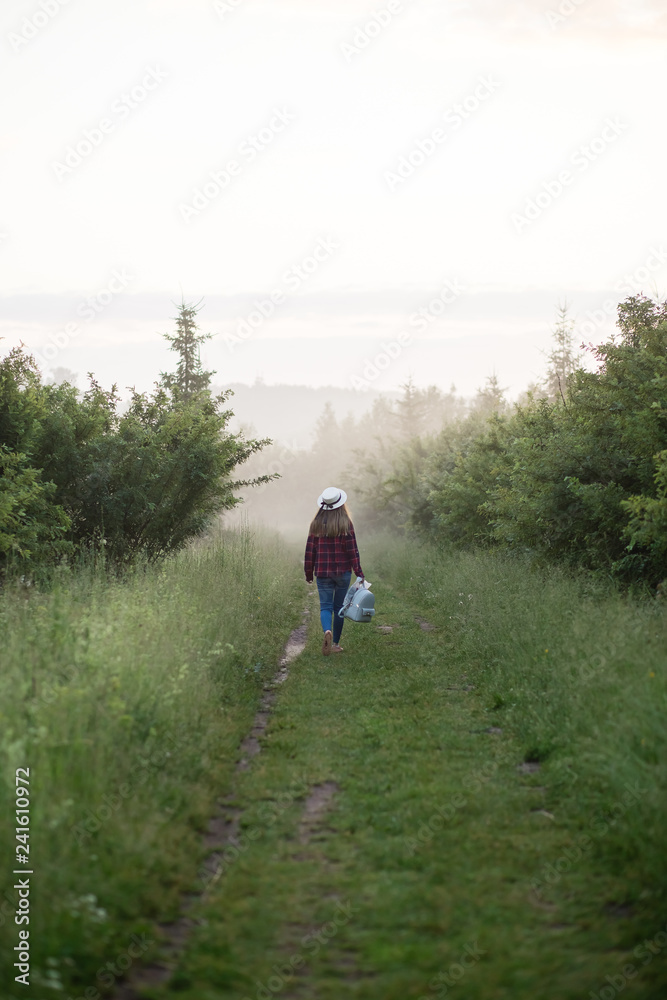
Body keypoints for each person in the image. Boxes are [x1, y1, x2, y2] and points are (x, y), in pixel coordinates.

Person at [304, 486, 365, 656]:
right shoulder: (346, 524)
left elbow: (310, 551)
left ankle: (326, 631)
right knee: (339, 607)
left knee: (325, 607)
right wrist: (359, 572)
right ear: (340, 504)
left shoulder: (315, 525)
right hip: (342, 572)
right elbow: (353, 550)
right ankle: (336, 644)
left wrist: (309, 573)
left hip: (323, 573)